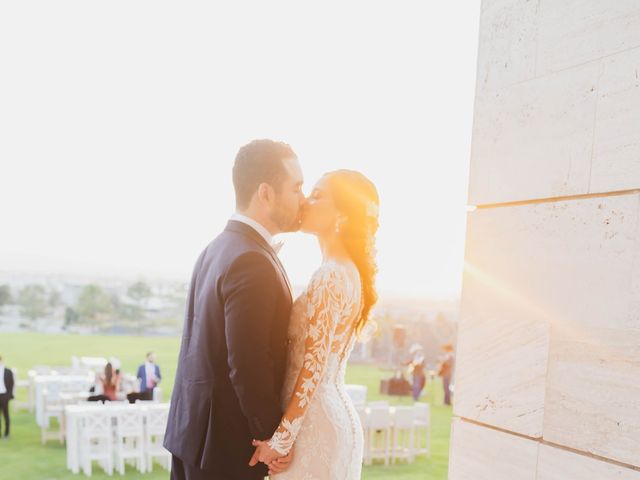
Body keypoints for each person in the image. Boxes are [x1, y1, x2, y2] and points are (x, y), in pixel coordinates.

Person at [164, 139, 305, 479]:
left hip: (193, 436)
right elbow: (247, 360)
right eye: (297, 188)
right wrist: (274, 435)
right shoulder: (251, 260)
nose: (303, 199)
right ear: (266, 193)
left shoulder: (216, 248)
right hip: (225, 449)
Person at [251, 169, 380, 479]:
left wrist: (281, 440)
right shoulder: (346, 272)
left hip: (313, 427)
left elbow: (313, 368)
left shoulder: (331, 275)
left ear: (343, 217)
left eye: (319, 195)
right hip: (330, 417)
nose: (307, 199)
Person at [0, 355, 15, 439]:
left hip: (4, 396)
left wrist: (8, 396)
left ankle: (7, 433)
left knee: (6, 415)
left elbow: (11, 384)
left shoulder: (8, 371)